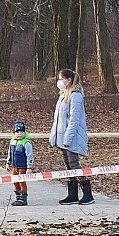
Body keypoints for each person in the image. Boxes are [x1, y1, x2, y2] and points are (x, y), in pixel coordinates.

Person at [49, 68, 92, 205]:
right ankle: (72, 194)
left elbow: (74, 120)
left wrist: (67, 139)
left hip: (72, 138)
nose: (59, 82)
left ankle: (87, 194)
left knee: (74, 165)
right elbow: (59, 119)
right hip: (62, 139)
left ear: (68, 80)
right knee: (68, 166)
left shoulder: (76, 96)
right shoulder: (63, 94)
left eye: (61, 79)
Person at [6, 121, 34, 206]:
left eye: (21, 132)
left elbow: (30, 156)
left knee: (22, 181)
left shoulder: (26, 143)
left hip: (22, 166)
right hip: (14, 166)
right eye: (17, 132)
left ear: (25, 132)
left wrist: (29, 167)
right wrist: (8, 162)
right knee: (15, 181)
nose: (19, 134)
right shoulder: (12, 142)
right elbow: (9, 153)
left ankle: (23, 198)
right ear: (14, 133)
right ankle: (18, 197)